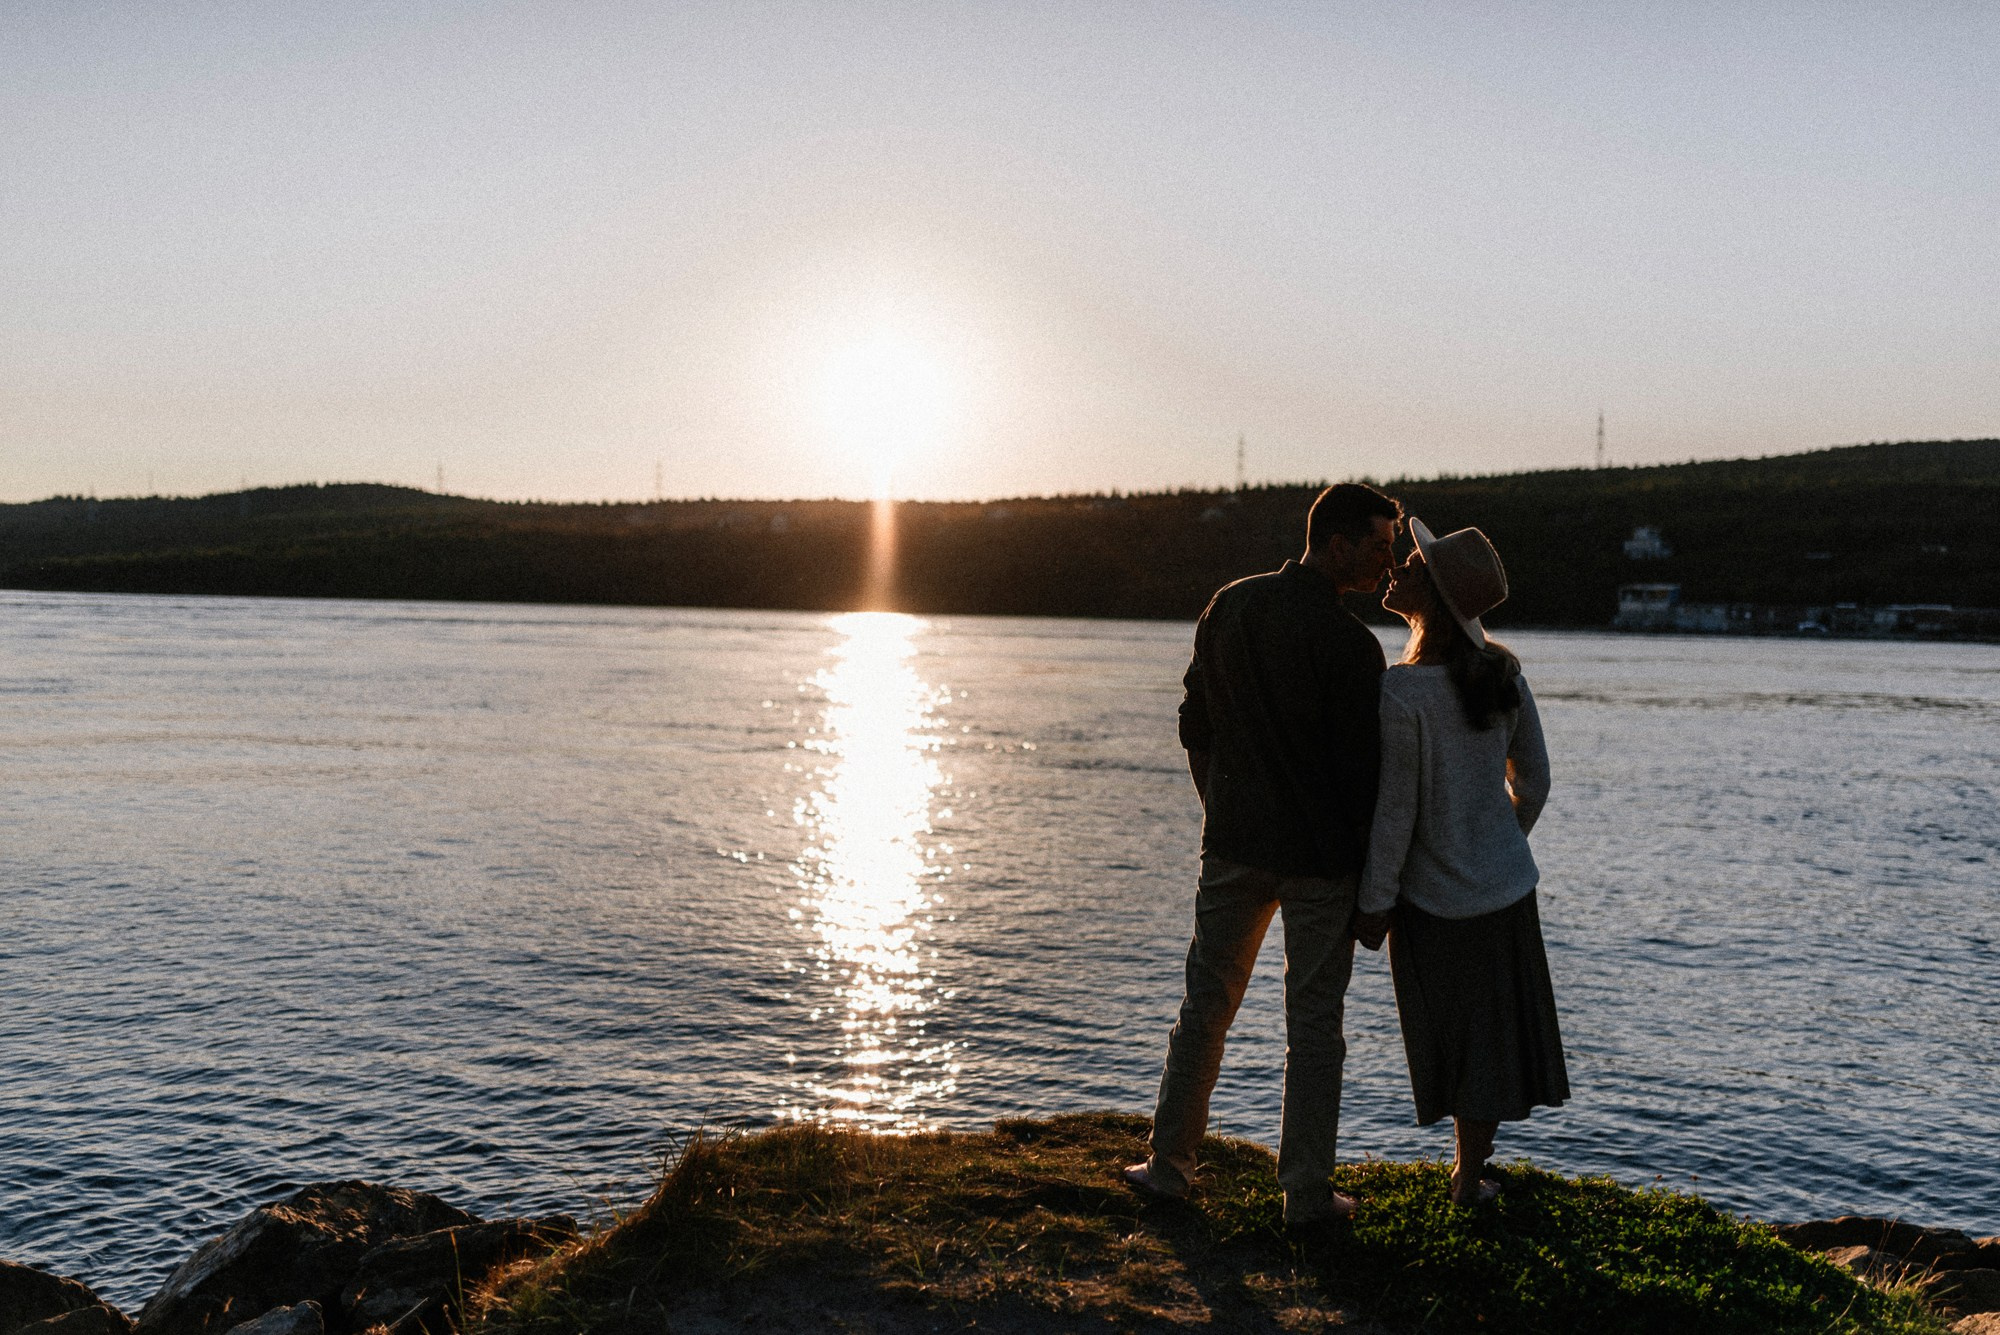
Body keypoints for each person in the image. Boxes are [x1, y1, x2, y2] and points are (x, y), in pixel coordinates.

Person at [1125, 482, 1402, 1230]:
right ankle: (1307, 1193)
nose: (1388, 563)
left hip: (1237, 845)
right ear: (1335, 542)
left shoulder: (1231, 605)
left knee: (1204, 1008)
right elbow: (1365, 777)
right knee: (1315, 1025)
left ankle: (1168, 1167)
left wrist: (1221, 810)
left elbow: (1195, 725)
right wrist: (1378, 886)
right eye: (1379, 547)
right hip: (1321, 861)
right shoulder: (1353, 648)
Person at [1351, 518, 1568, 1206]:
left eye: (1410, 563)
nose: (1396, 567)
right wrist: (1498, 841)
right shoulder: (1503, 674)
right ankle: (1467, 1176)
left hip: (1432, 903)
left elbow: (1395, 812)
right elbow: (1533, 781)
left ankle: (1467, 1179)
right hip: (1505, 891)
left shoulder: (1402, 693)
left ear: (1433, 597)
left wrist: (1374, 900)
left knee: (1451, 1037)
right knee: (1492, 1041)